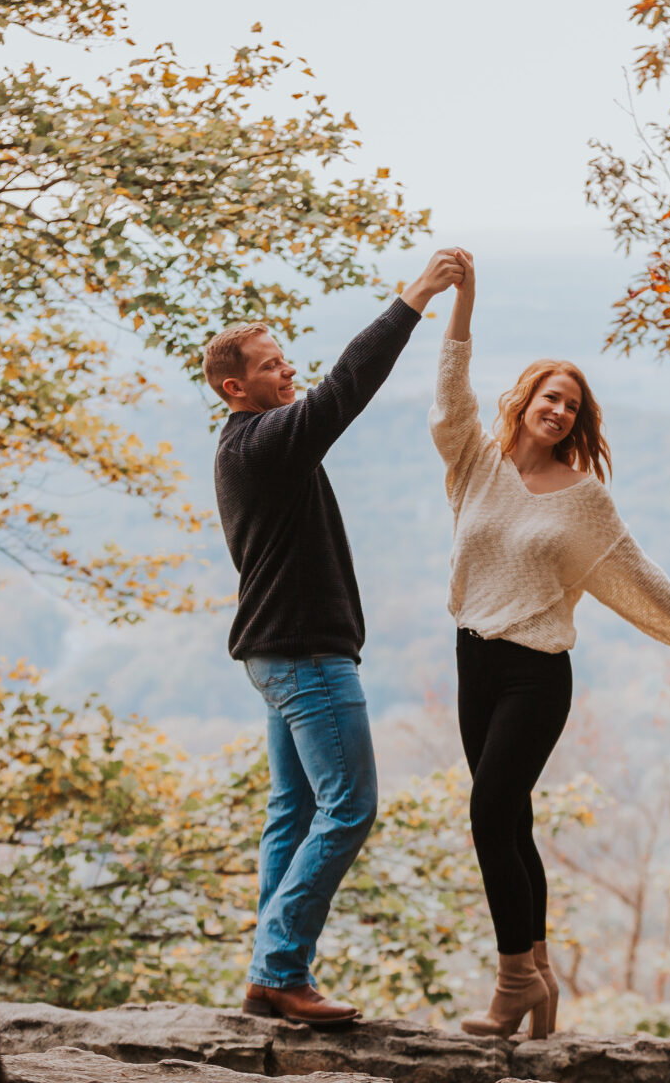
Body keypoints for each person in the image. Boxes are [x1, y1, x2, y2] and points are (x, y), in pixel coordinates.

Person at [428, 251, 670, 1040]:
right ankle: (541, 979)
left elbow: (640, 579)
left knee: (488, 815)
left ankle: (512, 986)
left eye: (572, 406)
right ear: (526, 400)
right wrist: (460, 302)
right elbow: (448, 394)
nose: (560, 412)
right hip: (474, 661)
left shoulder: (585, 502)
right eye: (550, 397)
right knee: (513, 824)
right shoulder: (477, 462)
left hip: (537, 675)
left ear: (579, 420)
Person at [206, 247, 467, 1027]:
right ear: (235, 387)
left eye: (287, 362)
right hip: (306, 657)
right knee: (349, 807)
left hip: (278, 655)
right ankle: (280, 967)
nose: (289, 373)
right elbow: (349, 384)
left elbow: (327, 389)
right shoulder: (265, 443)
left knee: (293, 810)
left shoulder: (249, 446)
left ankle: (271, 974)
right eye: (272, 366)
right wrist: (416, 296)